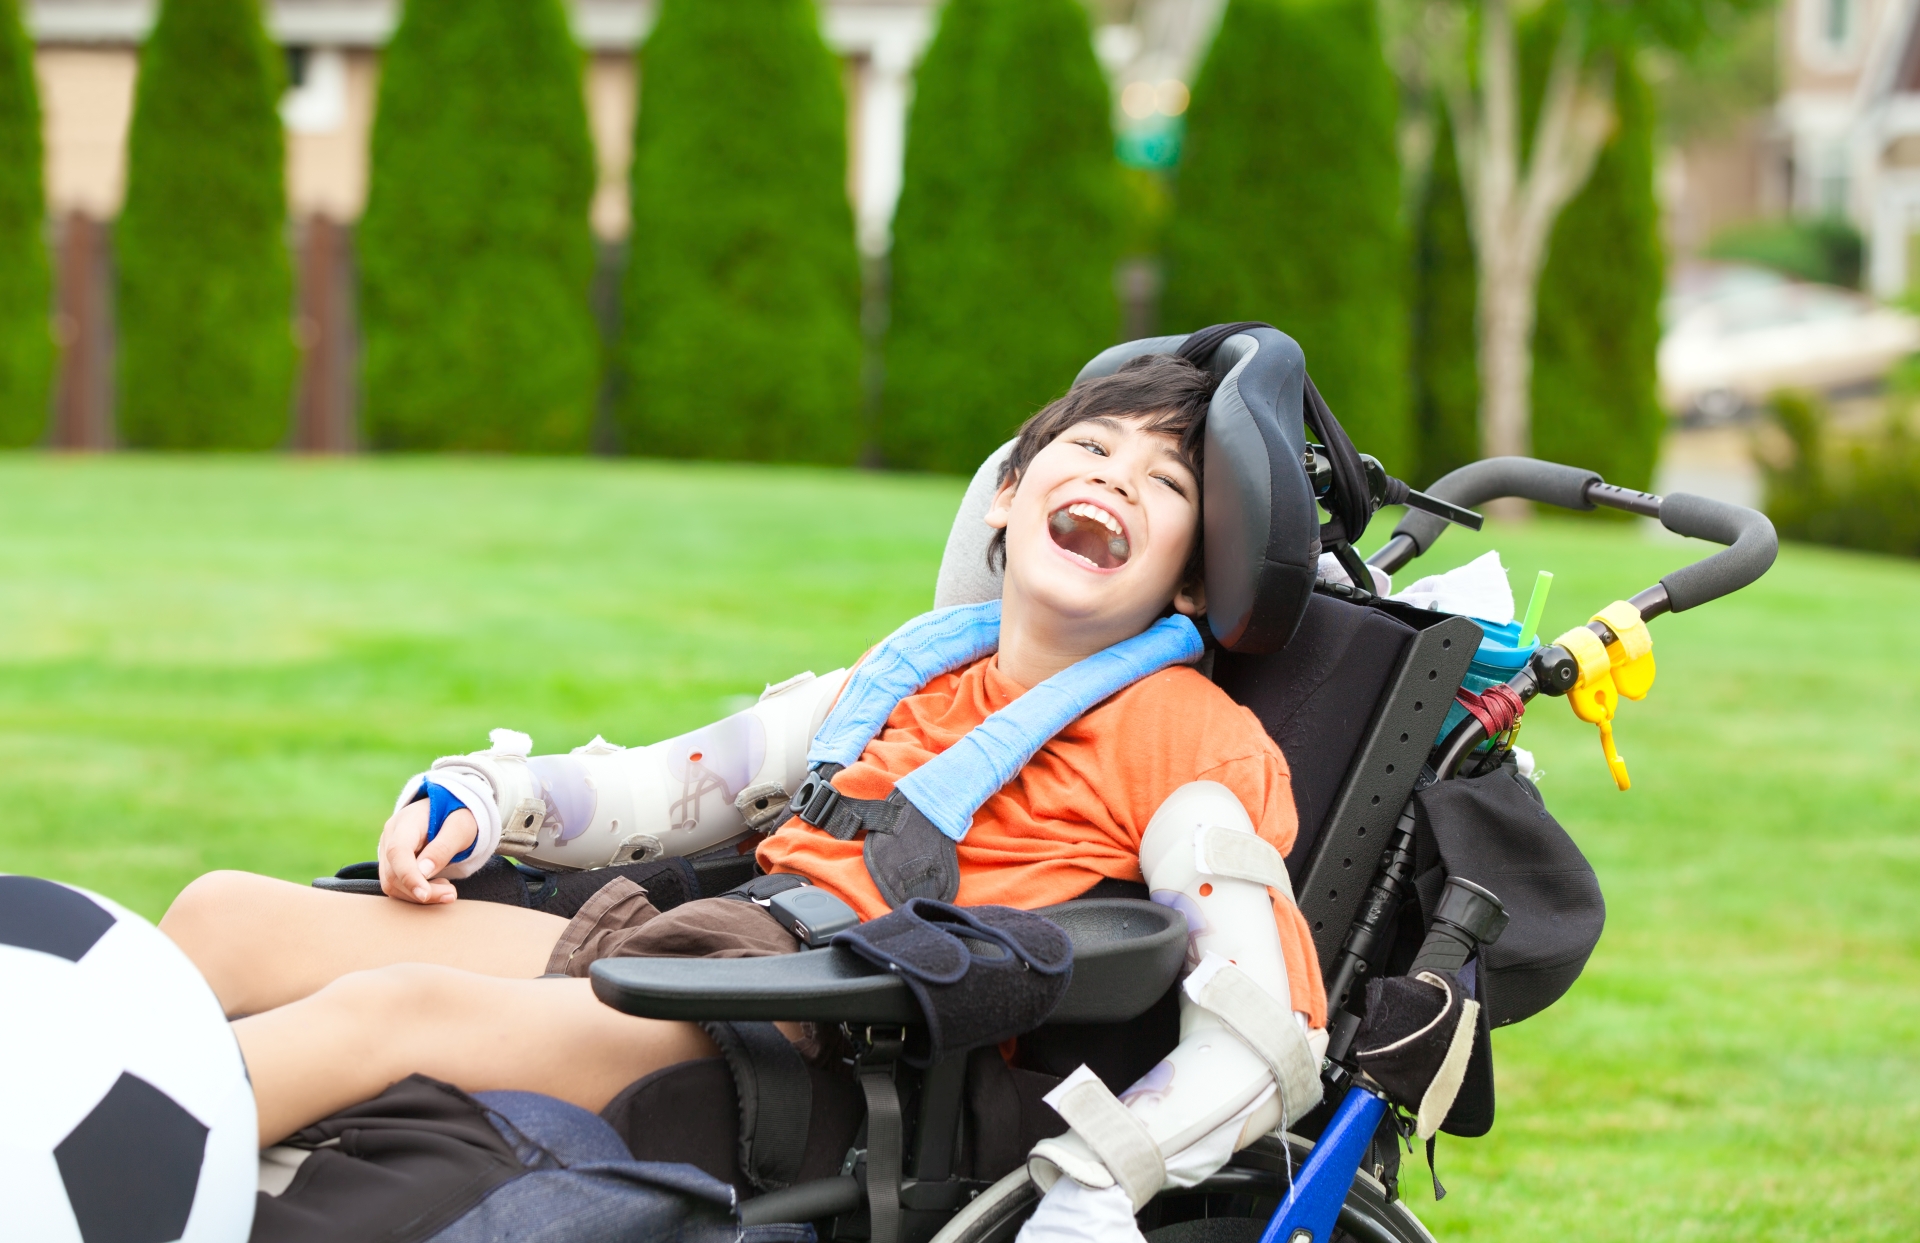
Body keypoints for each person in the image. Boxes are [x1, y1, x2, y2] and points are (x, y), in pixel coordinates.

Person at [160, 353, 1328, 1240]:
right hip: (703, 958)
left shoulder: (1189, 734)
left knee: (393, 1009)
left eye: (1163, 480)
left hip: (834, 1054)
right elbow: (663, 785)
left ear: (1190, 578)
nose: (1116, 480)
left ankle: (88, 1185)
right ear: (1007, 497)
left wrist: (1098, 1173)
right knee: (225, 914)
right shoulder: (907, 675)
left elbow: (1268, 1028)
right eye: (1092, 451)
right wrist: (482, 795)